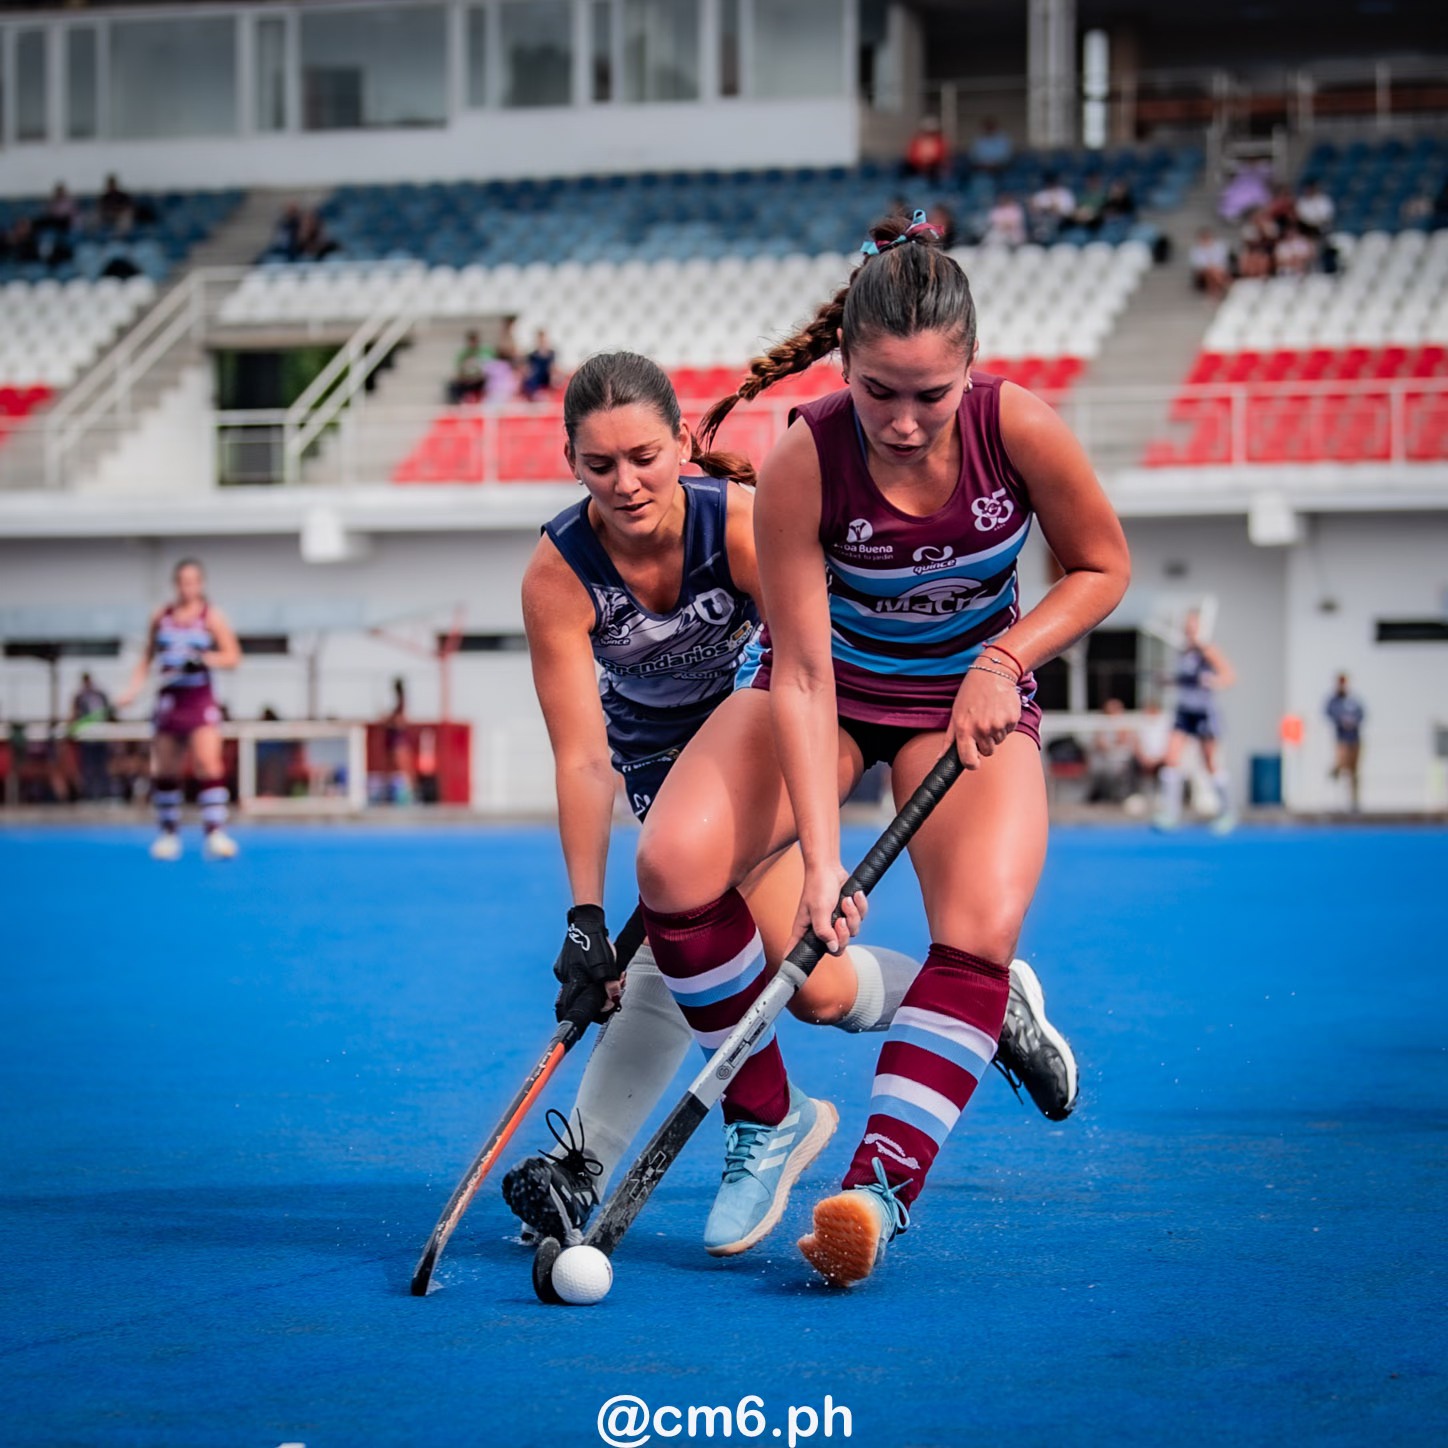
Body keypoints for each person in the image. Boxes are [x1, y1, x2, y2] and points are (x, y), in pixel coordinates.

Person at [627, 209, 1127, 1283]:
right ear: (843, 364)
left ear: (969, 372)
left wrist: (1004, 657)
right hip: (831, 689)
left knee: (977, 934)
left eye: (929, 395)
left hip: (965, 700)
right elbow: (801, 672)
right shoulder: (806, 455)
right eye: (877, 393)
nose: (902, 421)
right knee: (672, 867)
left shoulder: (1019, 428)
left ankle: (872, 1189)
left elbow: (1098, 567)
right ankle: (763, 1119)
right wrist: (820, 861)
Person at [501, 349, 1079, 1246]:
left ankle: (600, 1159)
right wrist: (582, 914)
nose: (625, 483)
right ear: (569, 462)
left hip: (768, 752)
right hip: (668, 776)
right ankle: (981, 1010)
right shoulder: (560, 574)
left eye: (645, 457)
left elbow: (814, 665)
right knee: (810, 991)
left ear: (685, 443)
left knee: (680, 951)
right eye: (599, 464)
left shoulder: (731, 526)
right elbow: (582, 760)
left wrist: (818, 841)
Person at [115, 559, 242, 859]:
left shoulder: (212, 617)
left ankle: (215, 833)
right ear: (176, 584)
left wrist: (205, 659)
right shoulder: (161, 616)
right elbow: (147, 657)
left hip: (198, 697)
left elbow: (233, 657)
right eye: (182, 581)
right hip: (169, 698)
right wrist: (132, 690)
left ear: (201, 584)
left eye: (193, 581)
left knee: (209, 763)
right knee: (165, 768)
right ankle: (168, 833)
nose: (188, 587)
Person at [1153, 609, 1236, 833]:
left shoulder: (1208, 651)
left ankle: (1227, 812)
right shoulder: (1182, 653)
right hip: (1184, 712)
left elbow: (1229, 676)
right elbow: (1182, 681)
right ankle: (1170, 813)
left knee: (1209, 762)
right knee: (1171, 758)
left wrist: (1213, 681)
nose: (1189, 631)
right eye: (1186, 627)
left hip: (1204, 713)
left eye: (1193, 627)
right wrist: (1167, 681)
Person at [68, 671, 113, 801]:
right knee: (88, 767)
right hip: (86, 737)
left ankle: (103, 793)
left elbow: (108, 713)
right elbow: (74, 714)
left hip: (101, 736)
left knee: (102, 766)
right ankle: (89, 794)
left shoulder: (100, 695)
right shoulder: (79, 697)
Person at [1325, 673, 1365, 812]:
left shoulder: (1353, 700)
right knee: (1341, 764)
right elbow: (1329, 713)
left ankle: (1354, 802)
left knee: (1354, 771)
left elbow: (1361, 714)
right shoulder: (1334, 701)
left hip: (1354, 738)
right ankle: (1332, 790)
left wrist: (1353, 721)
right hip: (1342, 740)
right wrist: (1342, 721)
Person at [380, 678, 414, 804]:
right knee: (391, 769)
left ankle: (409, 795)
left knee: (402, 768)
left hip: (398, 741)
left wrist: (388, 721)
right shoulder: (398, 705)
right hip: (393, 740)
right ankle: (390, 794)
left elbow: (399, 722)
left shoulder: (401, 705)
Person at [446, 330, 489, 404]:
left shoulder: (484, 352)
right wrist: (465, 378)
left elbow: (487, 370)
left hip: (480, 380)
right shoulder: (463, 354)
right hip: (467, 380)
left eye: (474, 340)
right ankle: (457, 404)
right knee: (452, 386)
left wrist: (477, 377)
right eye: (471, 341)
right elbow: (460, 371)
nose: (473, 343)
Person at [902, 116, 949, 185]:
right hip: (916, 168)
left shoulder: (940, 142)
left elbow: (942, 157)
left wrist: (930, 161)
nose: (929, 134)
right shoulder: (917, 142)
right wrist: (921, 162)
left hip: (934, 169)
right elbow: (911, 156)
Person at [1189, 228, 1232, 299]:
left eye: (1207, 237)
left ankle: (1214, 294)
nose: (1206, 240)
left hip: (1219, 270)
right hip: (1203, 273)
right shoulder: (1195, 250)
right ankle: (1227, 285)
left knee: (1213, 272)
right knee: (1210, 271)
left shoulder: (1219, 246)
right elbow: (1197, 265)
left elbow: (1223, 260)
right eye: (1204, 238)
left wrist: (1213, 267)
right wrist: (1211, 266)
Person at [521, 329, 557, 400]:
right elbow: (529, 368)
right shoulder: (532, 355)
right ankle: (536, 394)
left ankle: (547, 394)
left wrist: (554, 374)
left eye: (543, 340)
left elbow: (552, 367)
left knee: (554, 380)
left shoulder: (551, 353)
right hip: (537, 375)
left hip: (546, 375)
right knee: (530, 380)